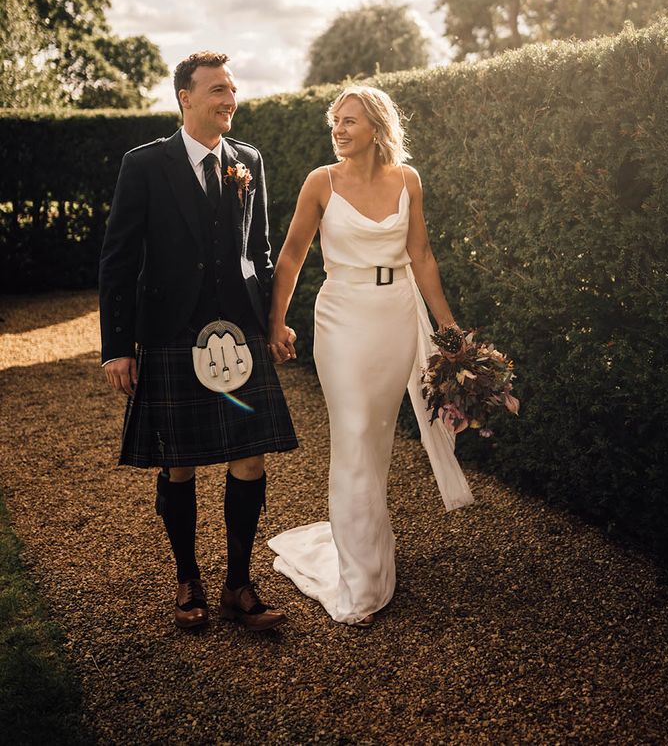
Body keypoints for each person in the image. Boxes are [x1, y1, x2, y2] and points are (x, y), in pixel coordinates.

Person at [99, 51, 298, 632]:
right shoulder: (145, 165)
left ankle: (239, 582)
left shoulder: (249, 161)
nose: (228, 99)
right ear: (185, 97)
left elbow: (257, 252)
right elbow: (118, 261)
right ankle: (189, 578)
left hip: (237, 332)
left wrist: (272, 321)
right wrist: (118, 345)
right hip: (170, 332)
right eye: (217, 90)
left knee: (250, 455)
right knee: (178, 462)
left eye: (232, 89)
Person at [267, 85, 473, 628]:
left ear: (377, 127)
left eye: (350, 121)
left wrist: (449, 329)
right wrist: (275, 320)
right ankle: (361, 583)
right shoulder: (320, 182)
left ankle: (368, 553)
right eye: (335, 121)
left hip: (396, 316)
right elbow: (291, 255)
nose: (338, 129)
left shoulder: (408, 180)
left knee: (375, 438)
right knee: (354, 431)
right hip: (341, 315)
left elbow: (421, 255)